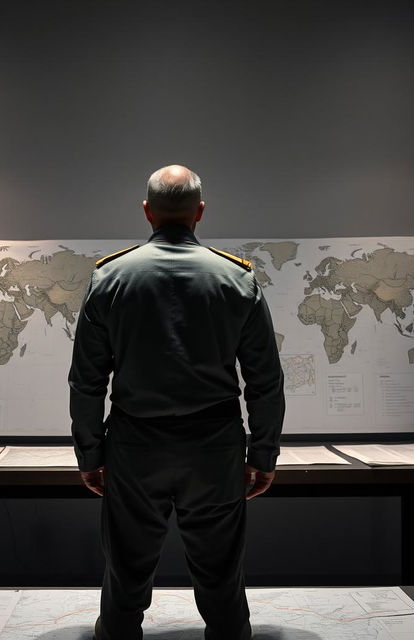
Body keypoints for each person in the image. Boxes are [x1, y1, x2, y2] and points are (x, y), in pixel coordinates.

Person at [68, 164, 285, 640]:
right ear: (199, 212)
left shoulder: (109, 277)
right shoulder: (237, 279)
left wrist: (90, 455)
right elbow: (265, 380)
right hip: (214, 448)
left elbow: (87, 380)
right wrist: (262, 455)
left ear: (147, 212)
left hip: (133, 445)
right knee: (222, 574)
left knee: (125, 571)